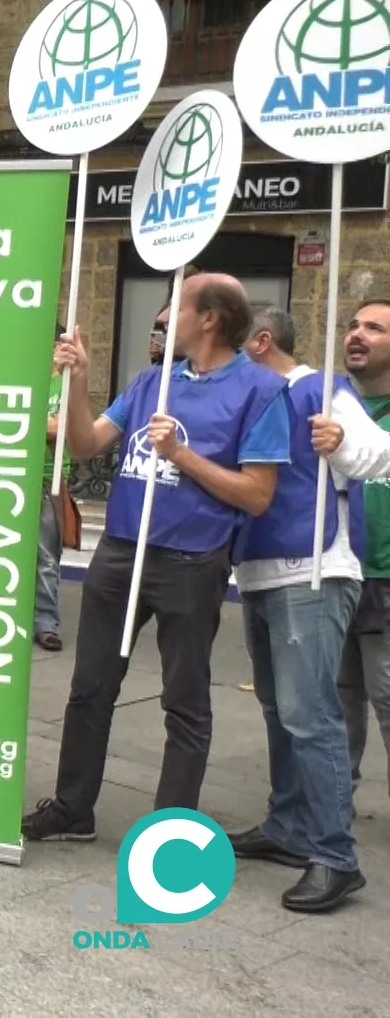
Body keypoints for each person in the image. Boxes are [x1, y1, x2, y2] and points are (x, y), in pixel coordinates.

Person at [25, 274, 288, 842]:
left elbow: (258, 493)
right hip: (121, 548)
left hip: (192, 558)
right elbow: (87, 444)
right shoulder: (151, 381)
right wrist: (81, 382)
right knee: (90, 685)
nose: (165, 314)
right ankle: (73, 808)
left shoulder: (260, 392)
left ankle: (170, 829)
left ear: (209, 318)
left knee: (185, 699)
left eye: (178, 304)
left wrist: (181, 455)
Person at [223, 305, 376, 913]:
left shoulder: (320, 389)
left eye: (236, 348)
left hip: (313, 569)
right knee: (278, 709)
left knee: (310, 714)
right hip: (262, 570)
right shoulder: (255, 398)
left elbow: (379, 453)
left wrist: (340, 446)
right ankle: (288, 826)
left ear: (260, 344)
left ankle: (336, 856)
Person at [337, 299, 390, 804]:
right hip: (337, 573)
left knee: (387, 698)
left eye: (374, 328)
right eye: (354, 325)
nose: (358, 334)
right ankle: (333, 804)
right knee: (339, 698)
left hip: (386, 578)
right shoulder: (333, 405)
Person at [36, 327, 67, 653]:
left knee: (47, 554)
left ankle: (45, 621)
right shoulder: (29, 378)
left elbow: (61, 426)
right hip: (23, 474)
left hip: (50, 476)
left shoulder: (67, 384)